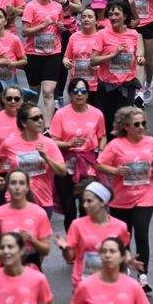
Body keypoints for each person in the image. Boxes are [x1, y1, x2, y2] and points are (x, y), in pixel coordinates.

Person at [96, 107, 153, 293]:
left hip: (145, 195)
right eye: (137, 124)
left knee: (141, 233)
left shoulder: (151, 142)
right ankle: (123, 273)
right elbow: (100, 164)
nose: (141, 127)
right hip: (120, 198)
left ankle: (142, 276)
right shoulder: (116, 145)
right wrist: (115, 171)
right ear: (126, 127)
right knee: (124, 237)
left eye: (143, 124)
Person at [50, 75, 107, 229]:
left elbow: (102, 136)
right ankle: (72, 240)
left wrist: (100, 152)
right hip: (66, 164)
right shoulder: (61, 114)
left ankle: (85, 237)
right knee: (69, 208)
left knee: (86, 206)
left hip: (88, 163)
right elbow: (53, 141)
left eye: (83, 91)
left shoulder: (97, 114)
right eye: (75, 91)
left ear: (88, 94)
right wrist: (68, 144)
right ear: (70, 94)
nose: (79, 94)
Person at [57, 180, 130, 286]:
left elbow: (123, 252)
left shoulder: (120, 226)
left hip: (112, 282)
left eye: (89, 201)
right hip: (84, 283)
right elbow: (70, 257)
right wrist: (64, 248)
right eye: (84, 201)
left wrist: (129, 260)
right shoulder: (77, 225)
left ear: (103, 202)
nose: (85, 205)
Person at [67, 236, 151, 304]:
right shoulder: (86, 285)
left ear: (122, 257)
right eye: (104, 251)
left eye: (112, 251)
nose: (107, 255)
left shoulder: (133, 285)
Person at [0, 170, 52, 265]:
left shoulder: (39, 213)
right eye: (13, 183)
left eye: (21, 183)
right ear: (7, 187)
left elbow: (46, 251)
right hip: (6, 263)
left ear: (27, 187)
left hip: (31, 263)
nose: (17, 187)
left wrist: (32, 240)